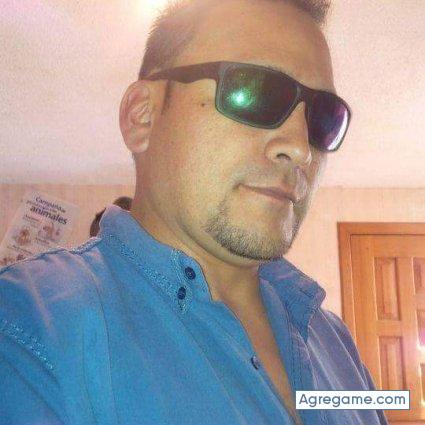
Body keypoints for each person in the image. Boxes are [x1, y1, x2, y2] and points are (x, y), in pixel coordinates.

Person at [0, 0, 389, 424]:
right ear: (142, 116)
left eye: (323, 117)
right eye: (253, 91)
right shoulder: (26, 327)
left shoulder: (335, 343)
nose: (299, 148)